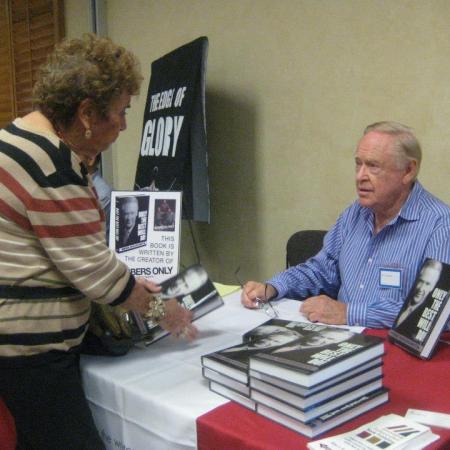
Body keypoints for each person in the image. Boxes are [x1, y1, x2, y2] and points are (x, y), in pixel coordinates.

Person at [0, 34, 197, 450]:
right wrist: (165, 311)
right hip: (31, 355)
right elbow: (97, 276)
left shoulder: (17, 137)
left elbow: (72, 252)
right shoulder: (52, 167)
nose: (125, 126)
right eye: (121, 112)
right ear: (87, 111)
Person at [241, 121, 450, 329]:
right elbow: (321, 270)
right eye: (358, 164)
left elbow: (433, 312)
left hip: (397, 348)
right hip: (343, 340)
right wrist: (273, 287)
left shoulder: (440, 225)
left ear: (408, 171)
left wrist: (348, 313)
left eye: (373, 166)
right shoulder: (355, 213)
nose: (360, 176)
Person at [395, 259, 442, 326]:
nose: (421, 288)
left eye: (427, 284)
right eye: (420, 281)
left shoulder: (427, 319)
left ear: (432, 287)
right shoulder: (401, 302)